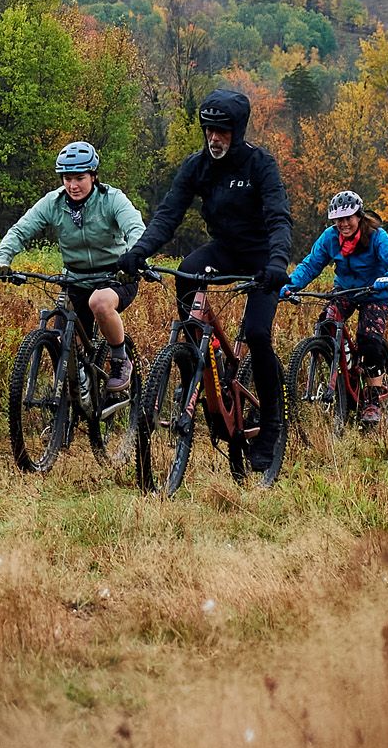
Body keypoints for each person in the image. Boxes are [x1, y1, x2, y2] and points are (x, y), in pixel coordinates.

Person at [113, 87, 294, 485]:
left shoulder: (260, 165)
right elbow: (167, 215)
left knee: (260, 335)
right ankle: (199, 365)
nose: (215, 138)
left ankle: (271, 424)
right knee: (185, 272)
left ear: (238, 131)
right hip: (225, 250)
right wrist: (138, 252)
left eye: (223, 131)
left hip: (263, 258)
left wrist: (278, 261)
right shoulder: (197, 166)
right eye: (209, 130)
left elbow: (280, 218)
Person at [0, 141, 148, 395]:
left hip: (116, 276)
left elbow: (135, 229)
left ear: (93, 176)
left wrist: (135, 260)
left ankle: (120, 359)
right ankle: (73, 401)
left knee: (100, 303)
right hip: (75, 280)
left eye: (80, 178)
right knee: (65, 343)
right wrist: (2, 259)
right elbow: (21, 229)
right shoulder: (53, 203)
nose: (73, 185)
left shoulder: (112, 199)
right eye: (67, 178)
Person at [282, 190, 388, 426]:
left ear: (359, 216)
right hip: (345, 291)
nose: (343, 224)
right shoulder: (330, 238)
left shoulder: (376, 237)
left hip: (376, 293)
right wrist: (291, 285)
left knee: (369, 339)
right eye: (338, 220)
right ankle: (343, 376)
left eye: (348, 218)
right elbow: (311, 264)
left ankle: (372, 400)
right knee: (326, 325)